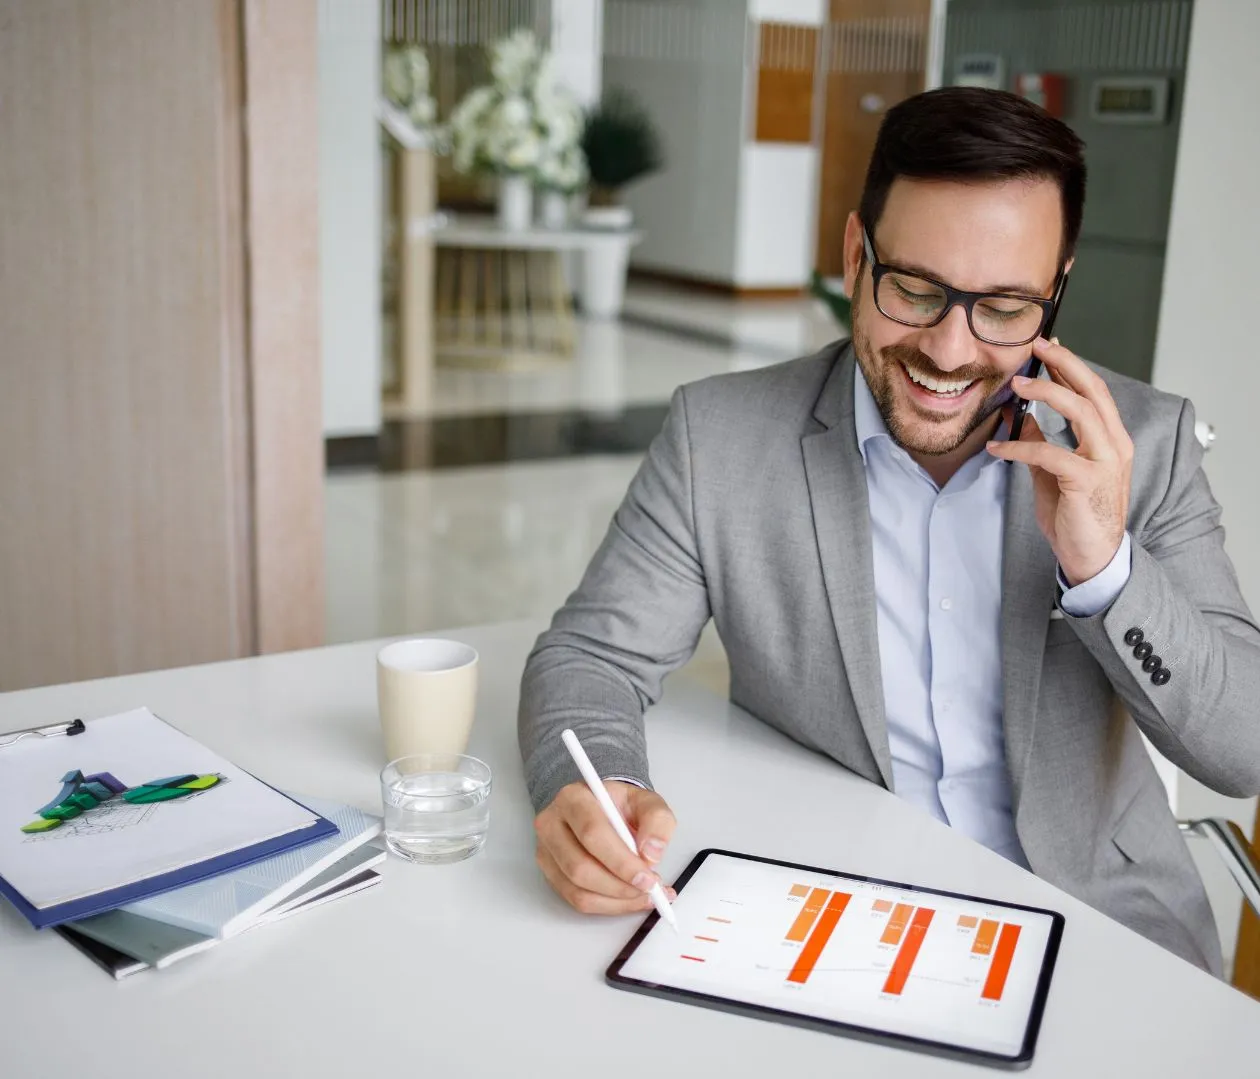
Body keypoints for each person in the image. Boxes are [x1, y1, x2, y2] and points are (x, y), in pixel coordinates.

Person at [517, 87, 1260, 974]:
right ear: (854, 255)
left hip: (1099, 929)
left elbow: (1242, 748)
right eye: (915, 289)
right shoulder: (718, 438)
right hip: (834, 918)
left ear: (1056, 292)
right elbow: (590, 658)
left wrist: (1105, 568)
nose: (950, 352)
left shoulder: (1145, 443)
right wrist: (599, 788)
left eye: (1007, 308)